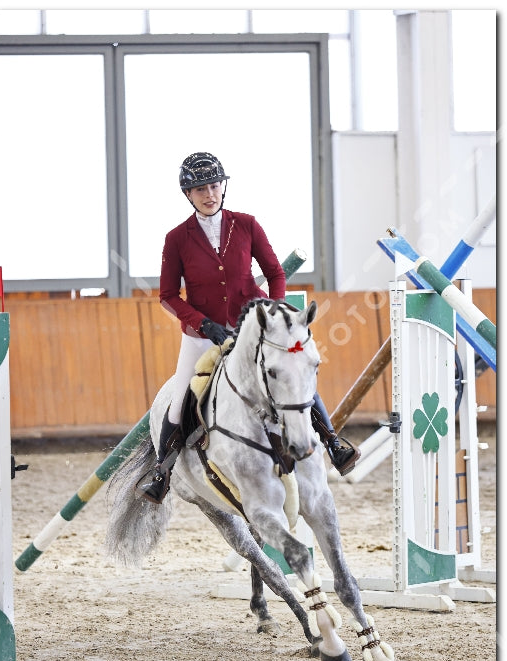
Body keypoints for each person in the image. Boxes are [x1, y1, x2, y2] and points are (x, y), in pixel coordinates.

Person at [139, 152, 359, 503]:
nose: (209, 194)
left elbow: (275, 272)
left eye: (214, 185)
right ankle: (161, 472)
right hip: (203, 334)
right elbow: (167, 296)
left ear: (222, 187)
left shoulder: (247, 224)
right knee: (180, 400)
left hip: (253, 325)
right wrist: (202, 324)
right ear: (188, 194)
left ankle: (333, 442)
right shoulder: (177, 238)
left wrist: (273, 312)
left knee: (291, 370)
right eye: (200, 189)